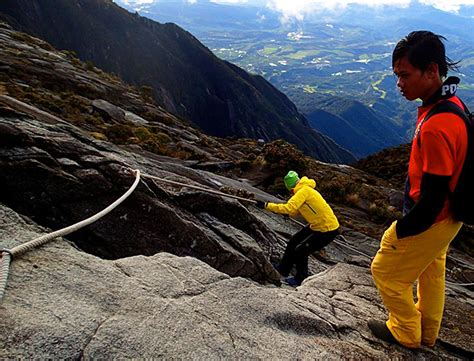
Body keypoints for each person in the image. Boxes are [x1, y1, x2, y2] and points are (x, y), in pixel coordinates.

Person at [369, 31, 468, 349]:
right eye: (397, 75)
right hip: (451, 217)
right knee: (431, 271)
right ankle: (428, 332)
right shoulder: (449, 102)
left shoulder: (439, 124)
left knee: (384, 271)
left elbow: (433, 197)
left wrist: (398, 230)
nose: (399, 83)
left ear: (431, 71)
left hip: (434, 217)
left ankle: (406, 331)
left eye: (405, 75)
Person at [256, 170, 339, 286]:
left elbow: (289, 208)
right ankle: (283, 268)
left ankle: (300, 278)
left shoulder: (303, 191)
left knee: (301, 251)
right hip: (319, 225)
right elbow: (297, 209)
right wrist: (289, 213)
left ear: (290, 186)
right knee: (293, 241)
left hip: (326, 229)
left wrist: (266, 206)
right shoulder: (305, 189)